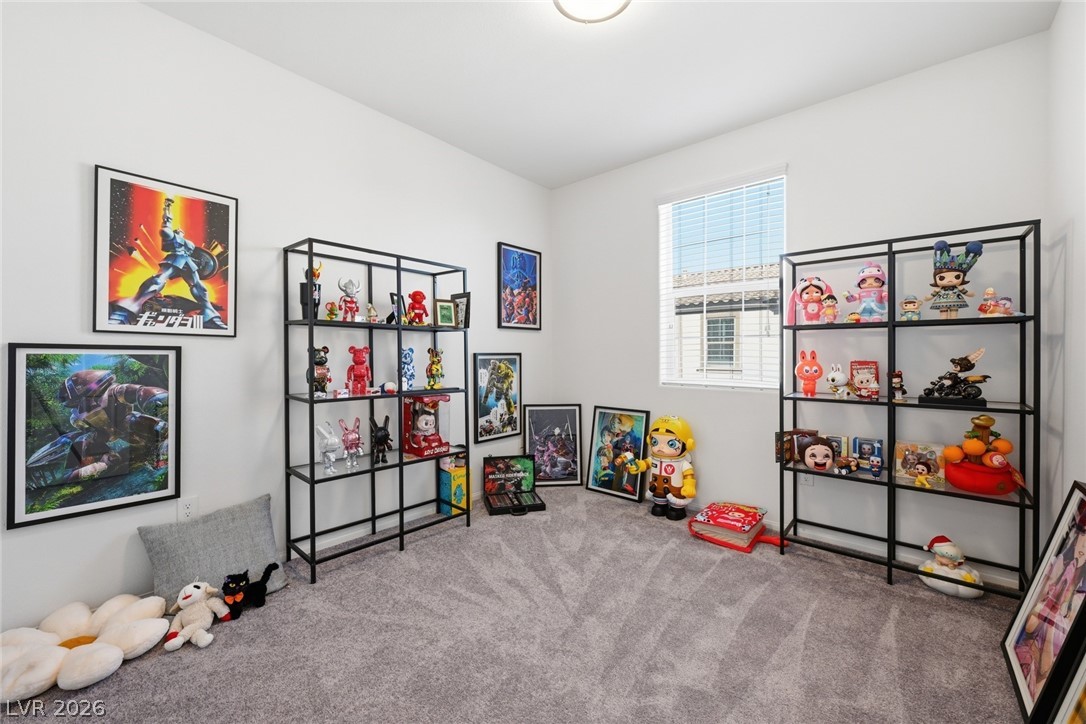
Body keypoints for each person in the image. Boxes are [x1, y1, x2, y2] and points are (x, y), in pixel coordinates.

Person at [110, 197, 227, 329]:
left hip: (187, 260)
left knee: (198, 286)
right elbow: (165, 230)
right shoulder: (175, 239)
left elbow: (199, 257)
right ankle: (132, 306)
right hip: (176, 258)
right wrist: (167, 210)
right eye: (177, 231)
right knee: (158, 281)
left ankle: (209, 312)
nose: (179, 231)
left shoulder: (189, 245)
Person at [626, 415, 696, 520]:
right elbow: (645, 463)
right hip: (656, 489)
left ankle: (677, 509)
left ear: (687, 444)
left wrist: (689, 486)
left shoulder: (682, 463)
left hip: (676, 491)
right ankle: (660, 505)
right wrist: (638, 466)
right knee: (658, 506)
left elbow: (688, 475)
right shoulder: (653, 459)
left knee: (675, 508)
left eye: (671, 444)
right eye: (655, 442)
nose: (661, 447)